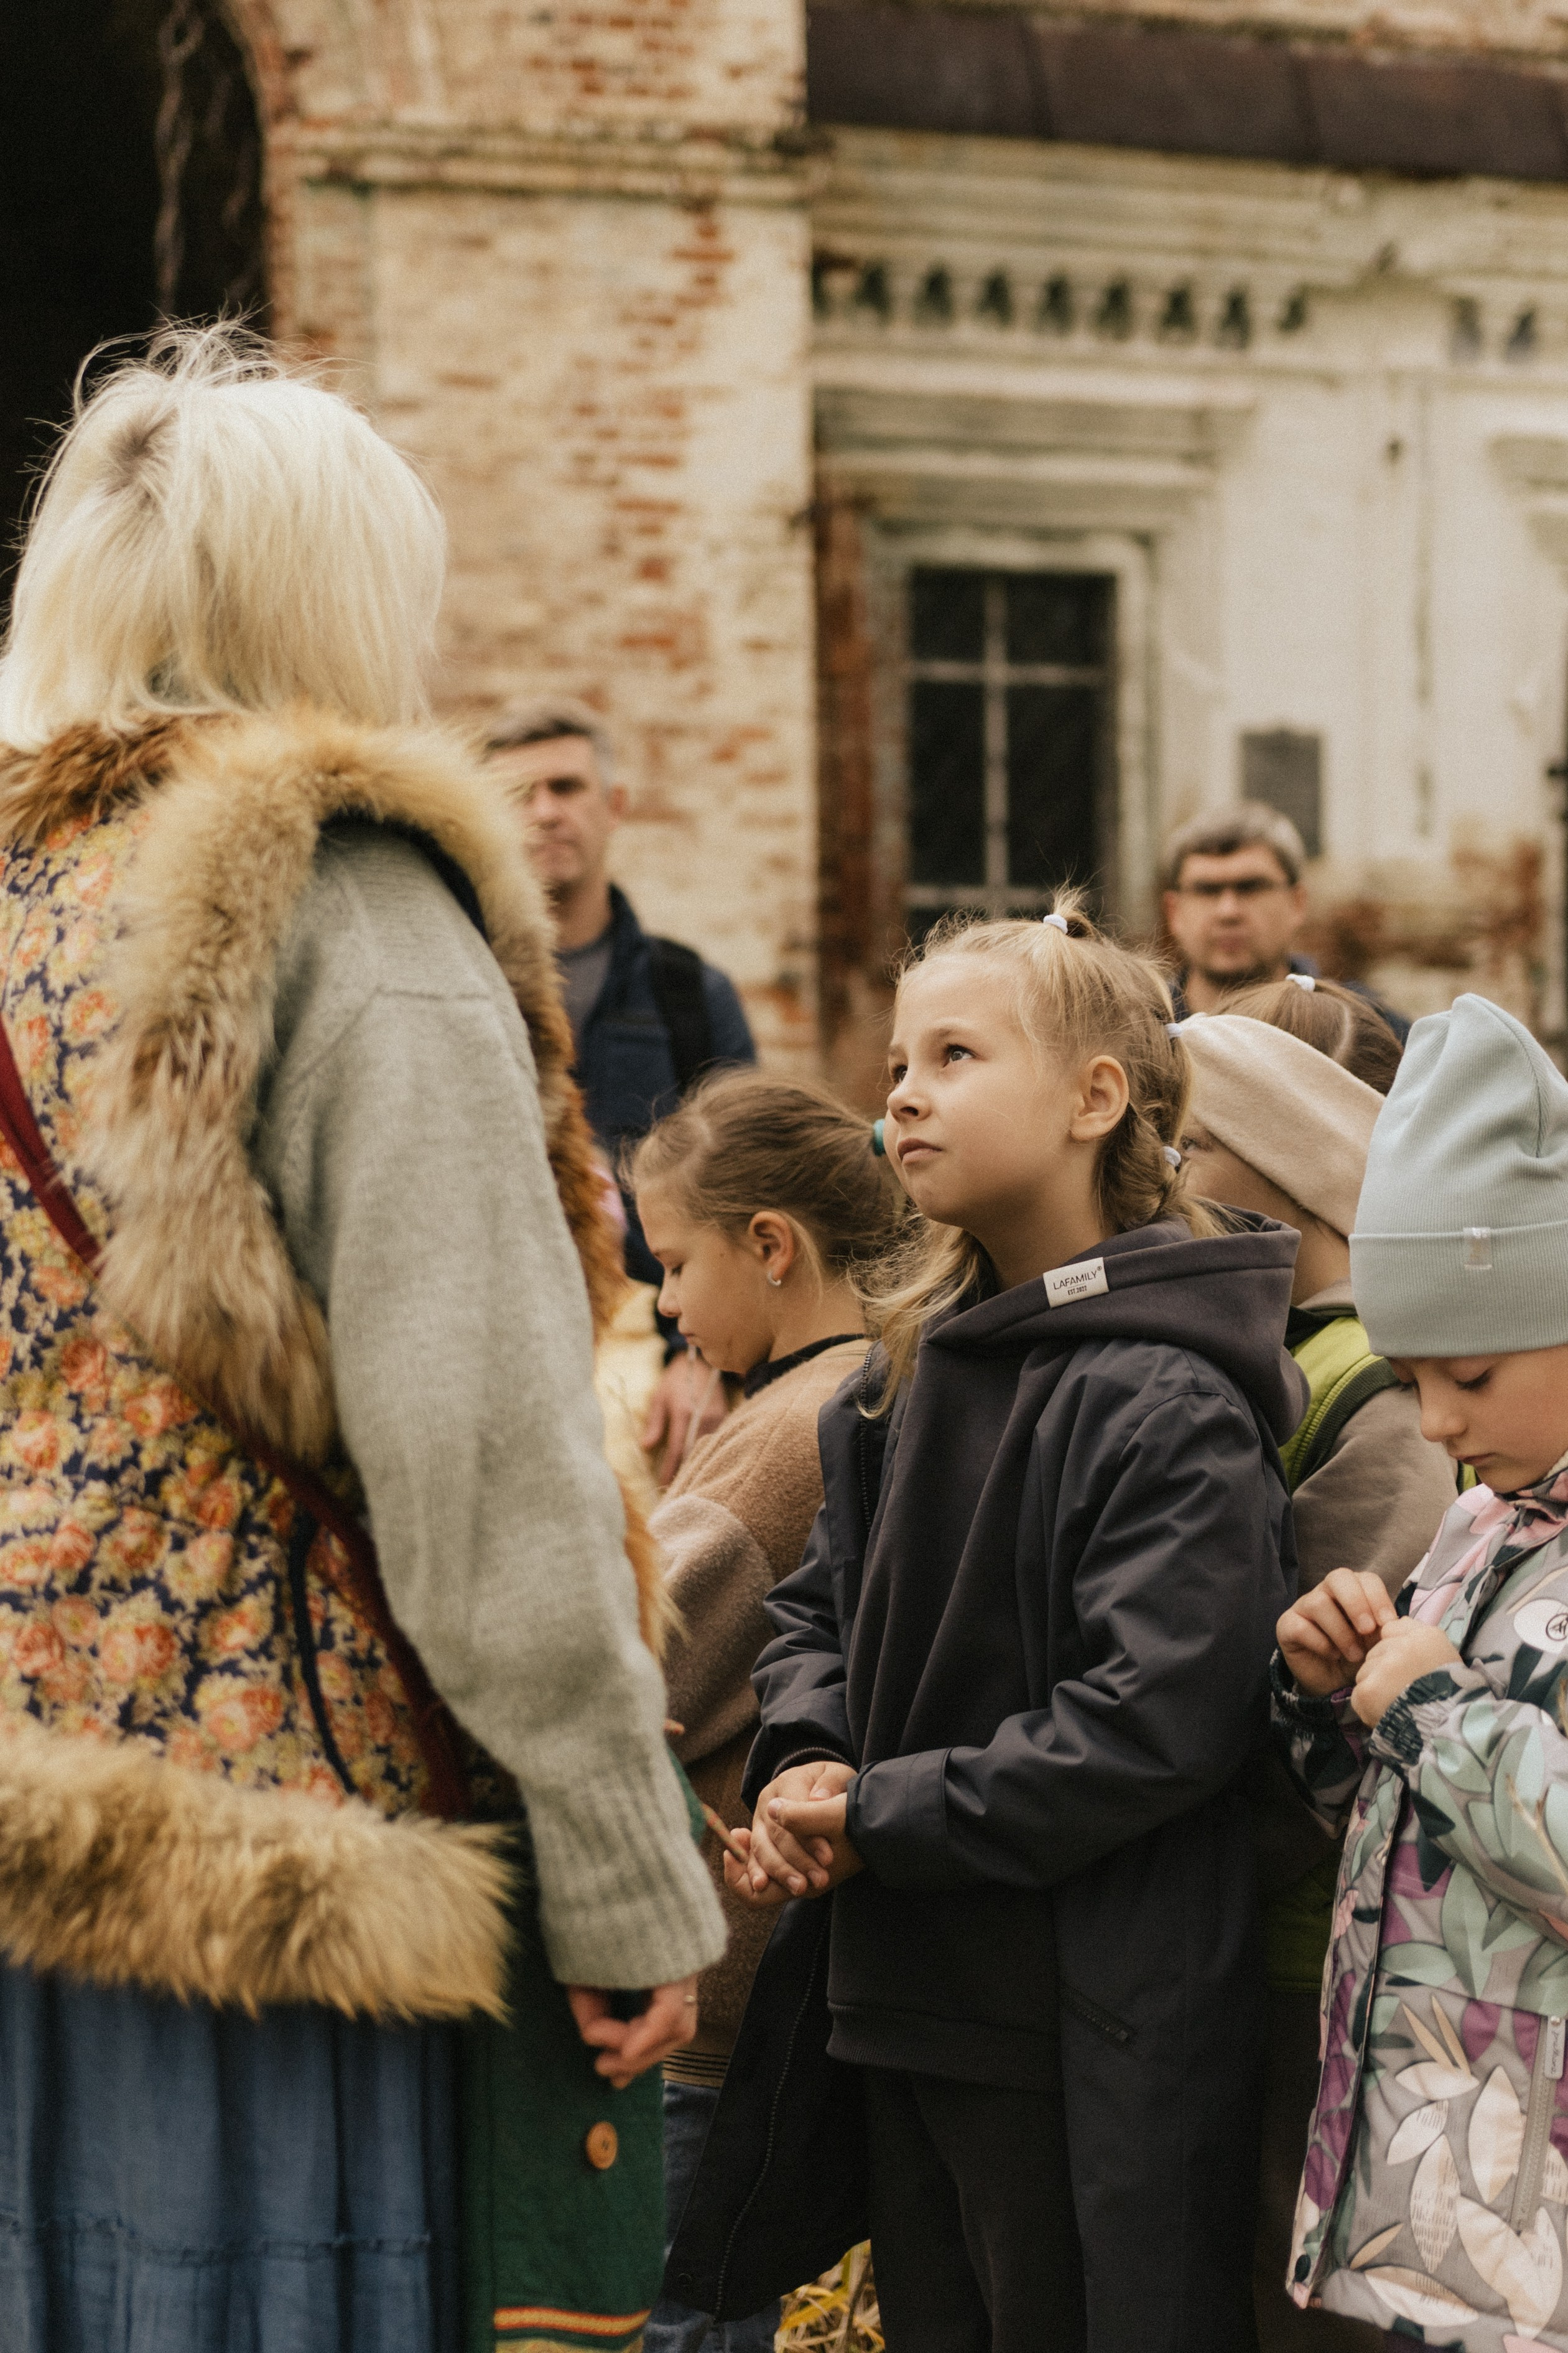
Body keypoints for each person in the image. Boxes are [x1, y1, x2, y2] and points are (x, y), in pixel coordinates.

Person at [0, 327, 723, 2349]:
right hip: (273, 1910)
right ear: (335, 598)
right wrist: (622, 1876)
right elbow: (482, 1449)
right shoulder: (344, 904)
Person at [713, 899, 1306, 2352]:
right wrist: (803, 1754)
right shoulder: (911, 1373)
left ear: (1097, 1099)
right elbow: (818, 1607)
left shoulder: (1164, 1397)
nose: (901, 1092)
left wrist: (884, 1813)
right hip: (908, 2000)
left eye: (956, 1054)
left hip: (1088, 2037)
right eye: (898, 1063)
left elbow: (1152, 1723)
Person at [1275, 992, 1568, 2350]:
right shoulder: (1477, 1516)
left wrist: (1435, 1714)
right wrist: (1337, 1692)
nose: (1438, 1420)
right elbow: (1389, 1820)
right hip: (1416, 2205)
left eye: (1473, 1371)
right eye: (1407, 1374)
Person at [1176, 997, 1457, 2353]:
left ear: (1280, 1179)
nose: (1159, 1180)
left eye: (1185, 1148)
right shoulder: (1266, 1360)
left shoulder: (1373, 1393)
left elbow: (1355, 1708)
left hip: (1309, 1957)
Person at [628, 1069, 898, 2353]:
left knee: (669, 2318)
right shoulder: (857, 1392)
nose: (666, 1302)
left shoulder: (792, 1430)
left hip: (707, 1992)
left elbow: (631, 1664)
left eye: (676, 1264)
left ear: (772, 1245)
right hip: (749, 1986)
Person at [485, 701, 756, 1475]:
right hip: (497, 1342)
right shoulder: (453, 991)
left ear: (614, 806)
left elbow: (743, 1196)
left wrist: (703, 1361)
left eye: (565, 787)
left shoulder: (690, 996)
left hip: (655, 1353)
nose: (544, 812)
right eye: (518, 795)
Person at [1162, 806, 1410, 1040]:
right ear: (1174, 912)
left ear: (1297, 903)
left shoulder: (1365, 1030)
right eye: (1206, 890)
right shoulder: (1138, 1034)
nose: (1228, 912)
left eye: (1251, 887)